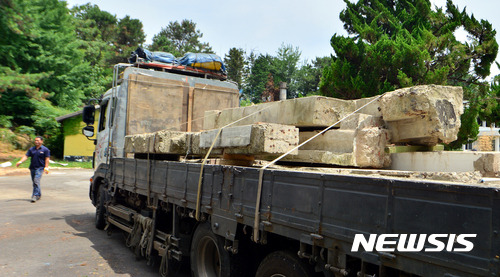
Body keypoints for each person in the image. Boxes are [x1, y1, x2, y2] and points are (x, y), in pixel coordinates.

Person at [16, 136, 50, 203]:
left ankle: (35, 195)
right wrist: (20, 161)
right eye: (35, 140)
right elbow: (26, 156)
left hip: (40, 168)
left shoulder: (45, 150)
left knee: (36, 180)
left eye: (38, 140)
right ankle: (39, 194)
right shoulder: (32, 149)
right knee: (35, 182)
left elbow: (47, 159)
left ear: (41, 141)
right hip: (32, 168)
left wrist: (46, 167)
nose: (36, 142)